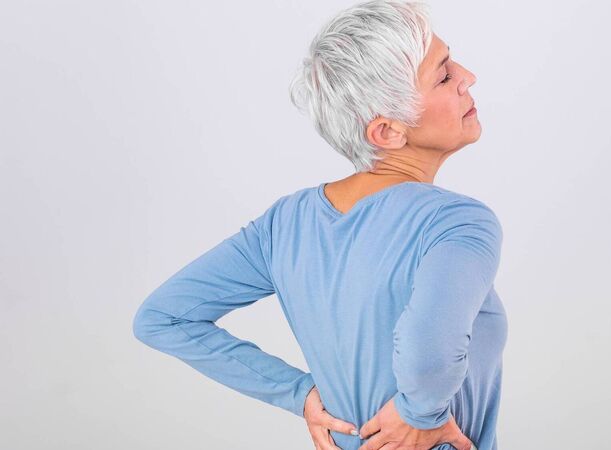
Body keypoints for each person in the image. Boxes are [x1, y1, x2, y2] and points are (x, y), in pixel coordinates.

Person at [131, 1, 505, 449]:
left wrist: (299, 393)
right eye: (443, 76)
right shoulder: (458, 223)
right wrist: (420, 413)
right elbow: (428, 349)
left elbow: (163, 317)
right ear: (387, 132)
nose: (467, 77)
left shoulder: (285, 225)